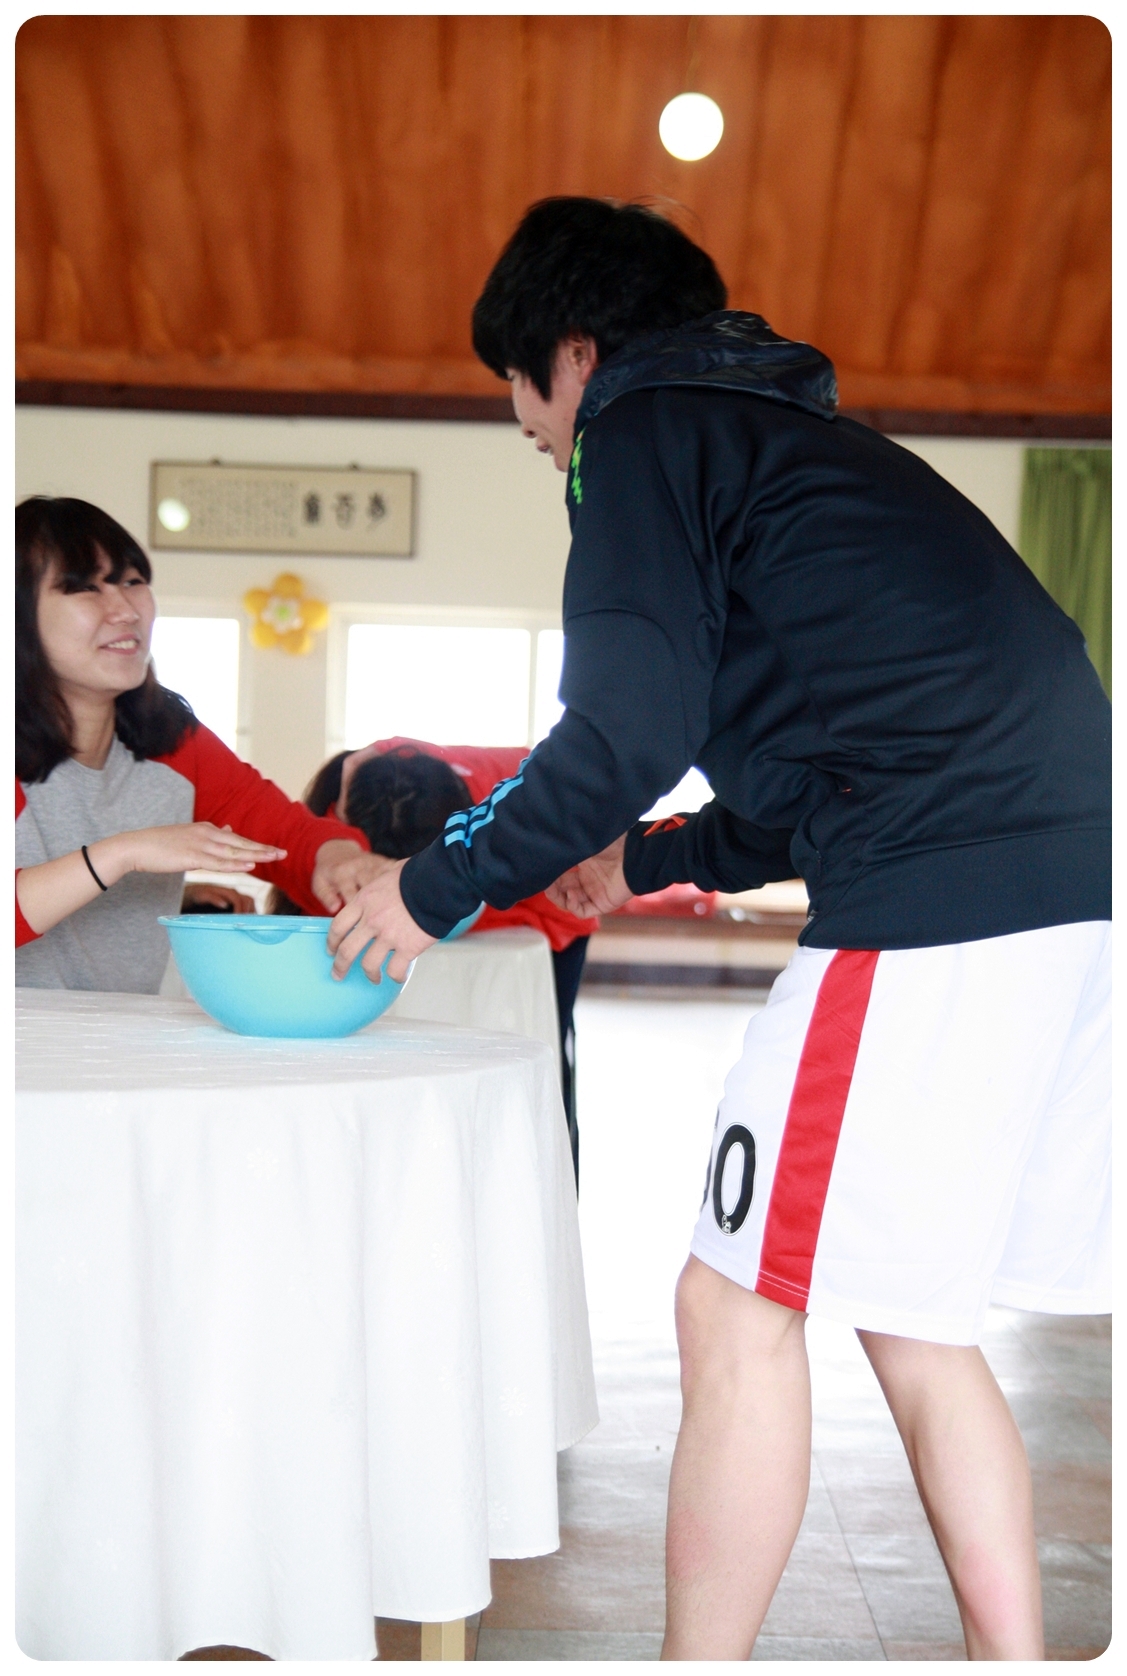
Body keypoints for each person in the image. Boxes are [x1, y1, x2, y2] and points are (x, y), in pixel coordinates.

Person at [324, 198, 1111, 1660]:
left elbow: (621, 728)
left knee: (732, 1304)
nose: (533, 433)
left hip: (934, 890)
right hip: (1066, 889)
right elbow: (807, 768)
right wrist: (646, 858)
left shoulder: (640, 430)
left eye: (521, 400)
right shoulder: (799, 445)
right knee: (913, 1318)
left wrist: (431, 888)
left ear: (573, 352)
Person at [15, 496, 380, 993]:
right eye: (85, 587)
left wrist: (336, 859)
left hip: (114, 1037)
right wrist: (124, 853)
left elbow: (285, 837)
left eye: (132, 581)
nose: (125, 609)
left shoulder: (173, 742)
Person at [272, 738, 598, 1181]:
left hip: (539, 898)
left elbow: (568, 906)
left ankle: (543, 1179)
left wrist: (453, 901)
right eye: (382, 869)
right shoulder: (340, 816)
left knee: (546, 1059)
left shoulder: (531, 801)